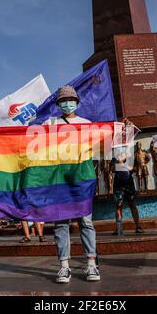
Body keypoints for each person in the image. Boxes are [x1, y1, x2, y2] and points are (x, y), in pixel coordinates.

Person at [43, 86, 101, 283]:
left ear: (77, 102)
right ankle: (64, 267)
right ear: (58, 104)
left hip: (82, 178)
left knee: (85, 221)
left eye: (71, 100)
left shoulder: (87, 124)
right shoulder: (51, 123)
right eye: (63, 101)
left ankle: (91, 264)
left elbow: (103, 146)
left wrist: (122, 129)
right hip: (59, 179)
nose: (67, 103)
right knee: (60, 222)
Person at [112, 146, 144, 235]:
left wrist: (126, 165)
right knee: (119, 205)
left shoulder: (131, 158)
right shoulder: (114, 159)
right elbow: (115, 167)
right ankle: (118, 228)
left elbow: (133, 168)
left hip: (129, 184)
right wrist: (123, 161)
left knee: (132, 204)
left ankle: (138, 226)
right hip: (118, 185)